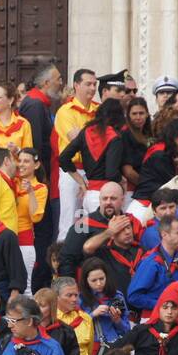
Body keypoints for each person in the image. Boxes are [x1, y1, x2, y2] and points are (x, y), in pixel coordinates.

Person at [54, 68, 99, 241]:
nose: (92, 88)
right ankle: (62, 259)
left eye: (94, 84)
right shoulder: (65, 111)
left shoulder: (98, 110)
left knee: (89, 217)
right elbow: (77, 139)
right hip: (71, 170)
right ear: (76, 85)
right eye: (88, 84)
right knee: (70, 216)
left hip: (93, 170)